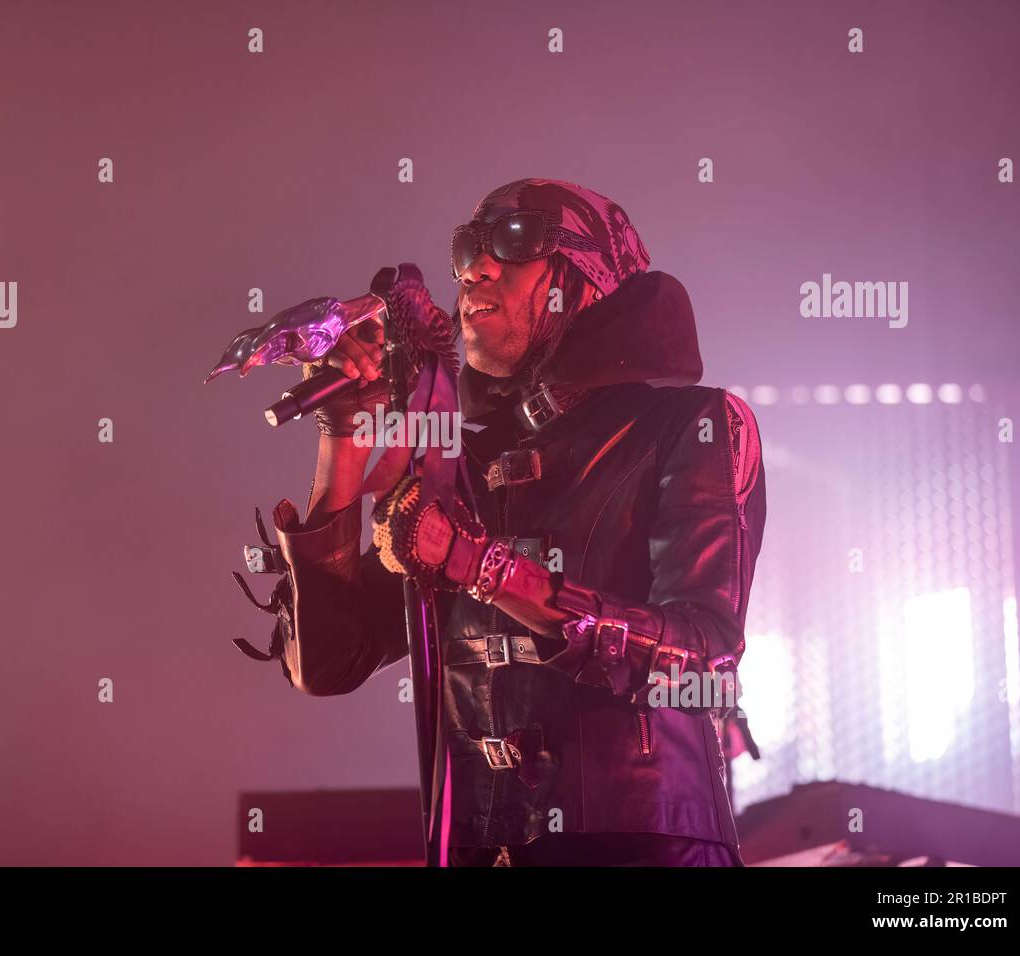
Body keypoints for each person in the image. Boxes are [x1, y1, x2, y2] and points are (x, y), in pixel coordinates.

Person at [235, 178, 767, 866]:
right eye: (465, 250)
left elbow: (704, 660)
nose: (473, 269)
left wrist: (482, 568)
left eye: (515, 244)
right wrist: (345, 430)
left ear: (587, 279)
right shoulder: (467, 462)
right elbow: (328, 663)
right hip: (479, 848)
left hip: (642, 846)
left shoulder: (693, 425)